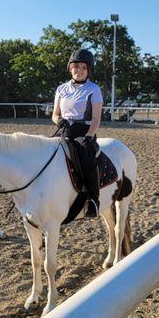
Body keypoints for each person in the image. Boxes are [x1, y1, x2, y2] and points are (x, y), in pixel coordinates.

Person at [52, 48, 103, 218]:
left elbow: (96, 119)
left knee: (87, 157)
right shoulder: (61, 89)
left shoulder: (94, 89)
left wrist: (89, 136)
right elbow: (55, 114)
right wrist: (58, 120)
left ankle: (93, 200)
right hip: (65, 129)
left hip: (85, 131)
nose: (79, 71)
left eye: (83, 67)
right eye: (76, 67)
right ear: (70, 68)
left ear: (88, 70)